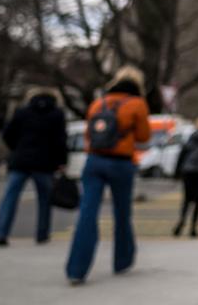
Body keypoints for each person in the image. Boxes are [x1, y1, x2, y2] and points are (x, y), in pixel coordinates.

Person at [65, 66, 151, 285]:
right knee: (122, 213)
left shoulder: (98, 103)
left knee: (87, 213)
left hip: (94, 161)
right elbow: (143, 137)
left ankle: (77, 268)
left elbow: (88, 134)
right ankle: (122, 261)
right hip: (121, 163)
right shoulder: (137, 104)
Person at [0, 86, 68, 247]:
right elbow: (60, 141)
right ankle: (42, 234)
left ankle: (1, 233)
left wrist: (17, 148)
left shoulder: (22, 112)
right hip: (45, 163)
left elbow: (7, 134)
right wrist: (62, 162)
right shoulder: (57, 114)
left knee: (10, 198)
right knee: (45, 200)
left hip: (20, 160)